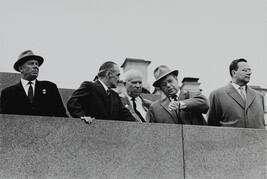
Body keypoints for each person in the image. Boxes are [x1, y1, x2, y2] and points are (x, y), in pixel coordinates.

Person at [0, 50, 68, 117]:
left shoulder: (50, 88)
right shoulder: (8, 93)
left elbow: (61, 116)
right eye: (31, 63)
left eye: (37, 64)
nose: (36, 66)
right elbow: (4, 120)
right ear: (21, 69)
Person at [67, 61, 136, 123]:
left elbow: (126, 116)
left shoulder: (115, 95)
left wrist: (143, 128)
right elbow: (73, 102)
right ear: (109, 74)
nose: (119, 79)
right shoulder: (89, 86)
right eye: (117, 75)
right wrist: (82, 117)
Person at [207, 58, 265, 129]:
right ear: (234, 73)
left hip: (257, 140)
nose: (249, 73)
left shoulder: (259, 96)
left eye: (249, 70)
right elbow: (212, 127)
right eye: (245, 70)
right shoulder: (217, 95)